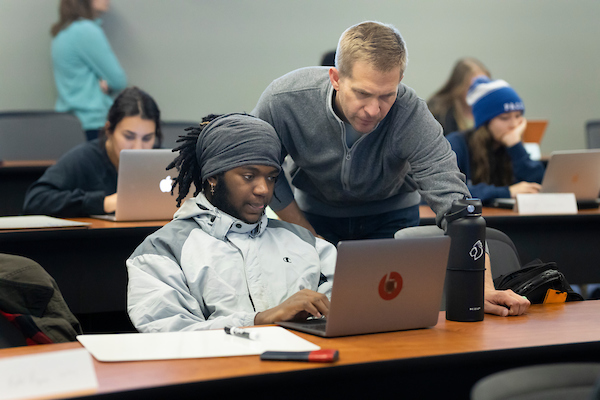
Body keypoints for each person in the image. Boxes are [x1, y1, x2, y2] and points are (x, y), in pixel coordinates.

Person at [252, 21, 529, 317]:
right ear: (335, 78)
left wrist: (481, 287)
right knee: (317, 316)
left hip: (390, 216)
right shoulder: (285, 100)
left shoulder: (411, 114)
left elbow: (457, 205)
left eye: (387, 95)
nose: (374, 110)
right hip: (314, 216)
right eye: (362, 94)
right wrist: (303, 230)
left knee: (388, 317)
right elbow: (260, 167)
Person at [126, 113, 336, 332]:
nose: (263, 189)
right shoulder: (162, 250)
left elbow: (344, 313)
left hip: (308, 363)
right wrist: (259, 320)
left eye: (271, 177)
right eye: (248, 176)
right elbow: (167, 335)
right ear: (212, 176)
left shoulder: (308, 244)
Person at [23, 87, 162, 217]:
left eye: (147, 138)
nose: (138, 148)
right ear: (109, 130)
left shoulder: (163, 163)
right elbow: (35, 200)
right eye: (129, 136)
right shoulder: (84, 158)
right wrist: (103, 203)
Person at [445, 76, 545, 204]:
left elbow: (537, 184)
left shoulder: (512, 146)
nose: (514, 125)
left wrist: (515, 146)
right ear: (486, 122)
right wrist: (507, 192)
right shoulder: (457, 144)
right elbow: (450, 190)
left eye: (518, 116)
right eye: (504, 118)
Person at [50, 0, 127, 141]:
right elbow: (118, 80)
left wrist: (102, 81)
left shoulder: (64, 30)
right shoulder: (86, 30)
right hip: (92, 123)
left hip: (69, 122)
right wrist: (105, 83)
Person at [427, 58, 491, 135]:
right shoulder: (439, 112)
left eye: (484, 87)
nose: (479, 92)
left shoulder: (493, 111)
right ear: (459, 88)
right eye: (472, 87)